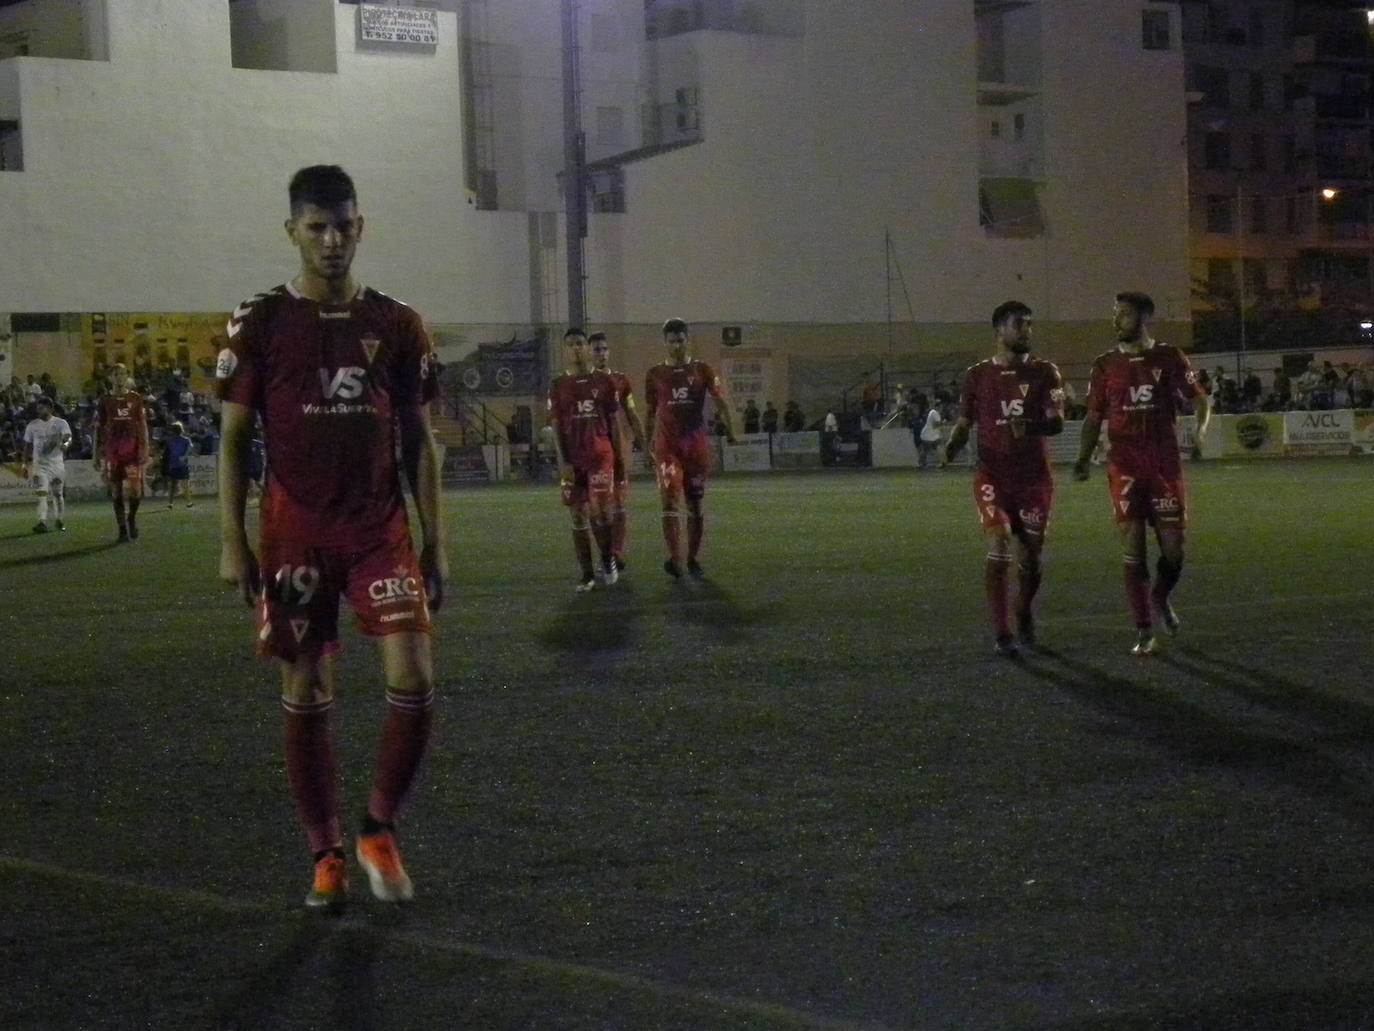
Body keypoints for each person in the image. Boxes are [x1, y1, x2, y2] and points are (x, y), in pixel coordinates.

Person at [217, 165, 448, 911]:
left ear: (361, 226)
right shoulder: (259, 322)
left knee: (412, 675)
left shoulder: (397, 323)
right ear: (293, 232)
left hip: (381, 529)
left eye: (343, 224)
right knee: (305, 683)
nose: (331, 240)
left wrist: (435, 537)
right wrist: (233, 539)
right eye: (316, 227)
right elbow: (232, 440)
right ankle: (326, 851)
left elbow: (419, 439)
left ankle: (379, 824)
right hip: (294, 535)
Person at [1074, 292, 1211, 656]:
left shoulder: (1168, 357)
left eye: (1125, 313)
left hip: (1164, 465)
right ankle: (1143, 629)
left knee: (1174, 552)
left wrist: (1199, 431)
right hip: (1124, 466)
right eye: (1115, 312)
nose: (1117, 319)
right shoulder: (1104, 365)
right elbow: (1093, 416)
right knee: (1132, 545)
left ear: (1144, 318)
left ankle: (1159, 598)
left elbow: (1199, 399)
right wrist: (1083, 457)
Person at [941, 301, 1064, 655]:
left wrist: (1032, 425)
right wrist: (951, 448)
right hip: (992, 474)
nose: (1027, 330)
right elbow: (965, 423)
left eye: (1029, 324)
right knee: (998, 542)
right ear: (999, 330)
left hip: (1033, 479)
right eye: (1019, 324)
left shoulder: (1045, 372)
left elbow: (1056, 421)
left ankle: (1023, 611)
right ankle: (1001, 632)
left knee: (1032, 560)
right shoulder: (977, 375)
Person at [645, 317, 735, 579]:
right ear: (665, 343)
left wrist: (731, 428)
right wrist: (649, 440)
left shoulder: (702, 370)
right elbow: (651, 411)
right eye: (672, 341)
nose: (676, 345)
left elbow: (720, 400)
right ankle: (675, 559)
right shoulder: (655, 374)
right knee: (669, 500)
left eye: (680, 340)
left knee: (694, 503)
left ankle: (693, 558)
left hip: (695, 446)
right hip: (668, 447)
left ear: (687, 340)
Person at [547, 328, 624, 590]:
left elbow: (614, 424)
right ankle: (587, 574)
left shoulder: (604, 381)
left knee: (600, 513)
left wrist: (620, 459)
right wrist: (563, 461)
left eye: (580, 343)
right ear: (565, 350)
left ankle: (608, 559)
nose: (577, 348)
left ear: (587, 348)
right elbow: (556, 426)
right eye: (571, 345)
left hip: (600, 457)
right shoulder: (558, 385)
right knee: (577, 516)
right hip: (573, 460)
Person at [590, 331, 645, 573]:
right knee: (598, 507)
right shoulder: (583, 382)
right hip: (593, 450)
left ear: (609, 351)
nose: (601, 353)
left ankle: (616, 552)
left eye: (604, 349)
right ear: (590, 353)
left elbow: (631, 413)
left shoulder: (621, 380)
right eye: (597, 349)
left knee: (620, 503)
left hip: (618, 448)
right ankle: (605, 553)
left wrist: (643, 442)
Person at [93, 362, 150, 541]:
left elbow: (143, 424)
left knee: (135, 492)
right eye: (115, 374)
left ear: (127, 377)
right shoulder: (104, 400)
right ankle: (122, 529)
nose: (119, 377)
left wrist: (145, 447)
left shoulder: (136, 398)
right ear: (110, 378)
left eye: (122, 374)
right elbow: (98, 428)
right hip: (113, 452)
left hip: (132, 451)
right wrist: (95, 454)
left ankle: (131, 519)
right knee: (116, 492)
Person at [21, 396, 73, 533]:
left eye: (42, 407)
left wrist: (65, 445)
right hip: (40, 465)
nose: (39, 410)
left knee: (57, 494)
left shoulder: (61, 423)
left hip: (57, 465)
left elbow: (68, 437)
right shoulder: (32, 425)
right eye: (38, 408)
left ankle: (59, 520)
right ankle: (42, 522)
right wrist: (24, 465)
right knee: (42, 493)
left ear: (50, 408)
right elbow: (26, 446)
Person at [160, 420, 195, 509]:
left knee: (173, 486)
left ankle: (171, 503)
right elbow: (191, 447)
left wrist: (184, 456)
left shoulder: (172, 441)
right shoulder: (184, 440)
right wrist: (185, 456)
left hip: (175, 465)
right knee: (183, 485)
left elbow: (165, 453)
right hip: (179, 465)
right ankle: (188, 502)